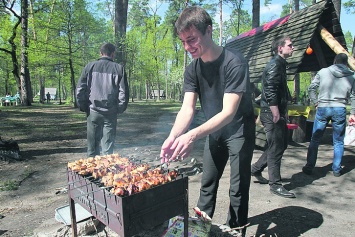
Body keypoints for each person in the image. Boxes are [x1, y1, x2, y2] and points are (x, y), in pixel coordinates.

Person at [160, 7, 255, 237]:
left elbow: (229, 113)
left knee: (238, 188)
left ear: (209, 31)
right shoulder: (192, 69)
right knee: (207, 184)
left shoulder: (234, 62)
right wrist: (173, 136)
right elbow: (187, 108)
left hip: (239, 130)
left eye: (191, 39)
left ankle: (235, 230)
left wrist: (192, 135)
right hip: (215, 132)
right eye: (183, 41)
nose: (187, 47)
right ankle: (198, 232)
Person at [251, 35, 295, 198]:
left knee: (279, 144)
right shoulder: (275, 64)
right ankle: (275, 184)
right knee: (276, 146)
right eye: (290, 45)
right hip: (271, 113)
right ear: (280, 48)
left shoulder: (280, 64)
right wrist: (276, 111)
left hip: (275, 111)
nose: (293, 47)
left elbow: (279, 89)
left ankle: (255, 169)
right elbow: (269, 89)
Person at [302, 53, 355, 177]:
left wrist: (316, 102)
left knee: (315, 139)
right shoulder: (351, 75)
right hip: (340, 109)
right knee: (338, 141)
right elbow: (354, 96)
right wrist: (353, 113)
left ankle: (309, 167)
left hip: (323, 107)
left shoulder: (323, 72)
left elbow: (311, 88)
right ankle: (336, 169)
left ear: (335, 61)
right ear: (346, 63)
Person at [76, 43, 129, 158]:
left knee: (92, 149)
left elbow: (80, 89)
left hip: (93, 112)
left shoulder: (89, 67)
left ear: (100, 53)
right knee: (107, 151)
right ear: (113, 54)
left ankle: (91, 174)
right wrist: (119, 109)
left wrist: (84, 106)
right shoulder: (119, 69)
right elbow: (123, 93)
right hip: (110, 113)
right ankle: (105, 173)